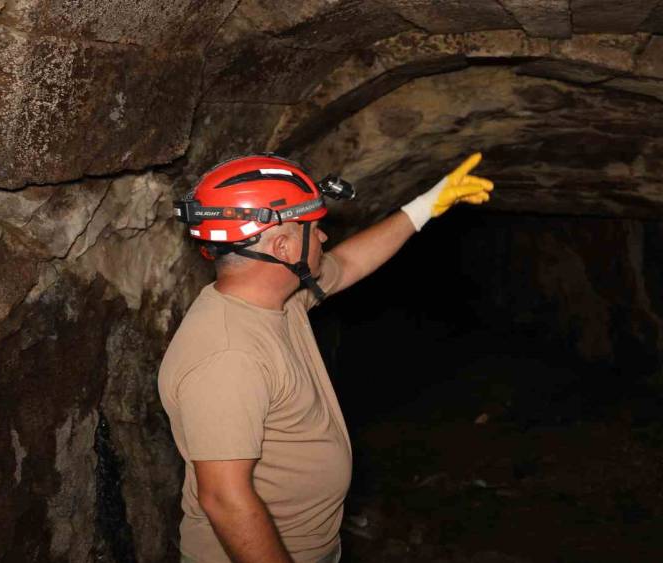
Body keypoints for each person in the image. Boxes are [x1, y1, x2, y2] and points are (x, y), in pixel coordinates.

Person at [158, 153, 493, 563]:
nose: (323, 238)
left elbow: (348, 264)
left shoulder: (279, 300)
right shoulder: (229, 356)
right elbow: (225, 500)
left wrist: (424, 207)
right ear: (281, 247)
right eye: (313, 228)